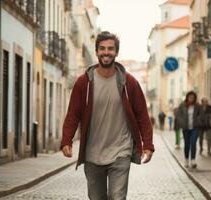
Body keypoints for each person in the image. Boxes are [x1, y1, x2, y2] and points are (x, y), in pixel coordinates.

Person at [61, 31, 154, 200]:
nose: (106, 52)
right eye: (102, 48)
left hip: (121, 151)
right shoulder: (84, 82)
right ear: (96, 52)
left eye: (110, 49)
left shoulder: (129, 82)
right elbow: (73, 114)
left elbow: (142, 116)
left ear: (116, 52)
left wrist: (147, 144)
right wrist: (66, 139)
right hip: (92, 152)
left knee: (117, 196)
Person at [176, 91, 202, 168]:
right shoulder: (182, 105)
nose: (191, 99)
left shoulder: (197, 106)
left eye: (193, 97)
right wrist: (182, 122)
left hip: (195, 127)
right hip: (186, 128)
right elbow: (178, 115)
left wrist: (198, 121)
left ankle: (193, 160)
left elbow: (201, 115)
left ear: (195, 98)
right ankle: (186, 159)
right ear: (187, 97)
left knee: (193, 142)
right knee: (187, 144)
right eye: (190, 97)